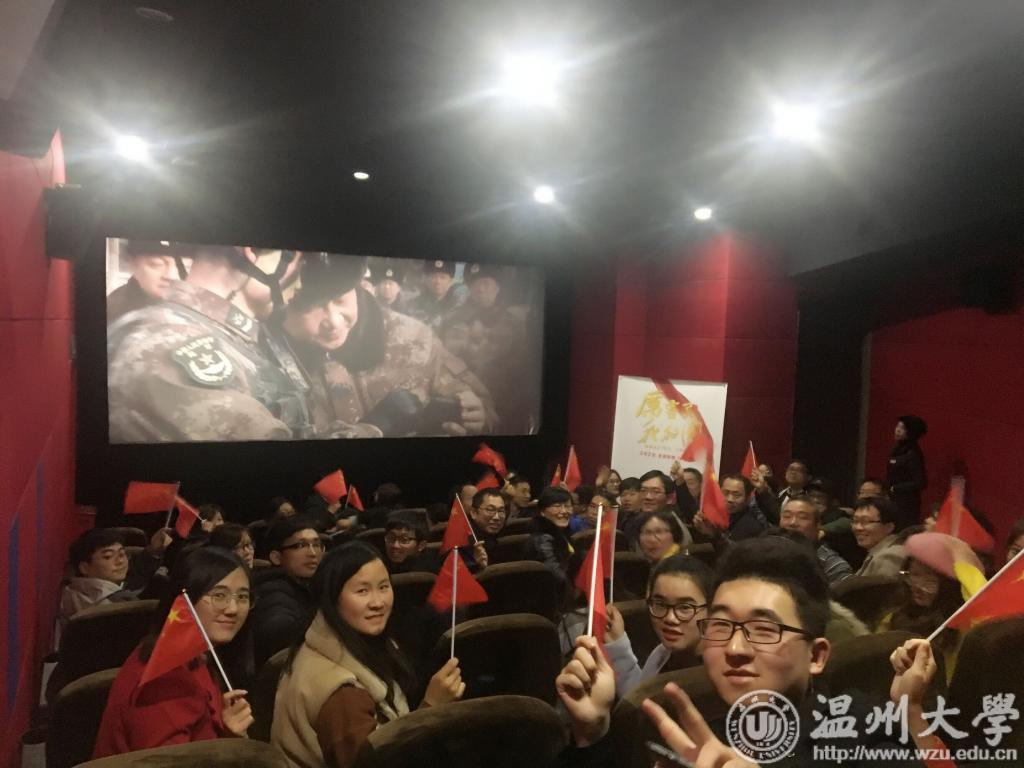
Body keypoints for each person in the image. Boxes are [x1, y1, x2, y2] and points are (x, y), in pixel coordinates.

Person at [558, 537, 925, 766]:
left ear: (816, 656)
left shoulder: (865, 733)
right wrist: (591, 734)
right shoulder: (691, 734)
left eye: (763, 630)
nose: (734, 648)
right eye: (720, 626)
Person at [271, 543, 464, 768]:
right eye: (362, 591)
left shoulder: (349, 641)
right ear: (332, 598)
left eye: (383, 587)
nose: (378, 603)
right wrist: (431, 707)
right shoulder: (342, 692)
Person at [107, 243, 314, 442]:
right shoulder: (167, 342)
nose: (300, 283)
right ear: (250, 251)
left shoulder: (236, 334)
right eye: (297, 263)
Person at [280, 253, 496, 437]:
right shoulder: (271, 360)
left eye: (340, 299)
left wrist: (478, 418)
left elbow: (483, 405)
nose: (334, 321)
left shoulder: (413, 337)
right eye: (313, 306)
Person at [92, 547, 255, 757]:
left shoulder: (199, 655)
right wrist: (230, 743)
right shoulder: (166, 679)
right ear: (186, 600)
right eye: (219, 595)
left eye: (242, 597)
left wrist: (229, 734)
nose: (233, 609)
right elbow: (165, 762)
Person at [604, 554, 714, 697]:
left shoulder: (722, 671)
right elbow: (640, 697)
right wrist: (617, 643)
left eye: (685, 607)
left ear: (712, 610)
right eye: (660, 604)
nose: (670, 618)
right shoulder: (662, 653)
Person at [59, 527, 171, 634]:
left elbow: (130, 581)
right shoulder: (110, 605)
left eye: (122, 554)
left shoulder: (75, 587)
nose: (120, 561)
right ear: (84, 567)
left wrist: (153, 551)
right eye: (108, 556)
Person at [254, 516, 323, 664]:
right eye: (300, 545)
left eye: (317, 544)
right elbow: (279, 630)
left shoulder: (313, 585)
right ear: (276, 557)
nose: (313, 553)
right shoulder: (272, 591)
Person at [778, 495, 853, 584]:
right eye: (787, 516)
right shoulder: (769, 553)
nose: (793, 523)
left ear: (818, 525)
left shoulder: (833, 566)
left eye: (802, 517)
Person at [106, 240, 180, 323]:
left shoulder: (178, 302)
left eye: (176, 265)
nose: (170, 276)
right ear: (134, 266)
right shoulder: (117, 313)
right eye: (158, 264)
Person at [521, 487, 576, 587]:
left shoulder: (563, 533)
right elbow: (556, 576)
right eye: (557, 506)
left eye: (567, 506)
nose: (564, 511)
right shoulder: (542, 539)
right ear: (542, 511)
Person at [887, 415, 928, 530]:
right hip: (893, 500)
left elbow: (921, 482)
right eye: (897, 426)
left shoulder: (913, 453)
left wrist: (896, 488)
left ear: (911, 432)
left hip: (906, 505)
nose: (898, 430)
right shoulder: (897, 450)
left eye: (903, 428)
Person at [852, 496, 906, 578]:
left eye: (865, 521)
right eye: (855, 521)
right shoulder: (879, 551)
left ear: (889, 527)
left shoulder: (889, 556)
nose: (858, 528)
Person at [404, 260, 464, 330]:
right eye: (433, 276)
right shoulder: (413, 304)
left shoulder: (458, 306)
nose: (438, 282)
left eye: (443, 277)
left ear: (451, 281)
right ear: (426, 279)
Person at [463, 488, 505, 570]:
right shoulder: (463, 542)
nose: (497, 517)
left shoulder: (501, 536)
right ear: (474, 513)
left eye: (501, 511)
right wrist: (475, 565)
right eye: (490, 510)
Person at [719, 473, 768, 541]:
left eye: (736, 495)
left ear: (748, 498)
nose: (730, 499)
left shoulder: (752, 528)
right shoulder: (715, 516)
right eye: (725, 493)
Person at [617, 477, 644, 546]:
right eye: (623, 495)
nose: (627, 499)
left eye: (632, 494)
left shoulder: (646, 519)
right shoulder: (620, 516)